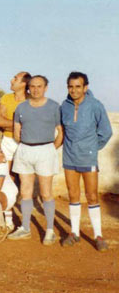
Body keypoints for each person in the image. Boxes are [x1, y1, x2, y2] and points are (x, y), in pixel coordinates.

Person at [8, 75, 63, 245]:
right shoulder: (21, 107)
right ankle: (25, 227)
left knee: (46, 193)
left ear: (46, 87)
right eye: (32, 86)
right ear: (28, 88)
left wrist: (49, 149)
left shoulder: (54, 106)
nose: (36, 89)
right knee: (25, 192)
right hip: (25, 149)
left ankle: (50, 231)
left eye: (39, 86)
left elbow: (60, 132)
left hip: (45, 150)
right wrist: (27, 144)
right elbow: (17, 131)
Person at [60, 72, 112, 251]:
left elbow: (106, 131)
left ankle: (98, 236)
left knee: (91, 196)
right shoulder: (64, 106)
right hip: (69, 157)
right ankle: (74, 233)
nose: (74, 90)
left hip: (88, 157)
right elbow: (62, 130)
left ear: (85, 87)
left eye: (78, 86)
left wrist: (92, 148)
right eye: (71, 86)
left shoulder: (95, 105)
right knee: (73, 194)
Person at [0, 72, 31, 171]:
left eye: (15, 79)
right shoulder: (6, 98)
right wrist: (19, 125)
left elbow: (31, 125)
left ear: (23, 84)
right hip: (7, 140)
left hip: (24, 141)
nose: (11, 80)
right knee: (6, 174)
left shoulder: (31, 100)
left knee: (23, 174)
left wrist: (8, 124)